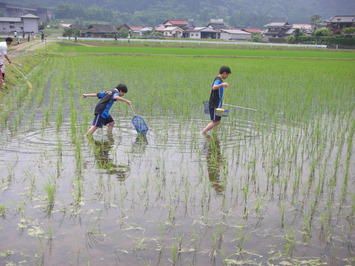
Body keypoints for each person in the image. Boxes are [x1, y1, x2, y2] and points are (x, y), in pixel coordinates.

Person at [200, 66, 231, 134]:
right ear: (224, 73)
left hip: (218, 104)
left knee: (217, 122)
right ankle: (202, 132)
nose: (227, 76)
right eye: (227, 74)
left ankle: (214, 135)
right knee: (216, 121)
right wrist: (222, 84)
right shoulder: (218, 80)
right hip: (214, 104)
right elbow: (214, 87)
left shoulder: (219, 80)